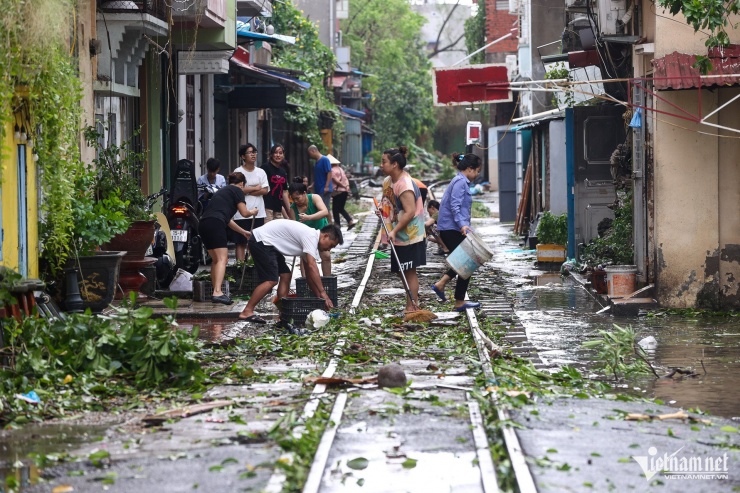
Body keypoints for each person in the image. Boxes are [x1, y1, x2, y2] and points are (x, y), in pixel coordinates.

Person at [238, 221, 344, 324]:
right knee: (271, 280)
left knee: (286, 275)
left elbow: (309, 275)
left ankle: (283, 313)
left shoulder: (310, 241)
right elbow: (312, 266)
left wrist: (320, 299)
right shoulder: (311, 237)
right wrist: (323, 293)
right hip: (261, 241)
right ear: (325, 236)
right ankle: (247, 311)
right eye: (330, 245)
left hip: (268, 242)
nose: (328, 250)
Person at [431, 153, 483, 312]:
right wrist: (462, 225)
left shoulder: (461, 181)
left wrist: (466, 226)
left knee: (466, 261)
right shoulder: (461, 182)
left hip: (452, 227)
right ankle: (446, 289)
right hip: (450, 228)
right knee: (466, 260)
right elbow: (455, 206)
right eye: (477, 170)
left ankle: (454, 296)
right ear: (469, 169)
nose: (478, 174)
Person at [378, 146, 427, 316]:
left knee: (409, 269)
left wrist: (394, 230)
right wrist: (382, 210)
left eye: (384, 161)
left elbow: (410, 212)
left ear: (395, 164)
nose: (381, 165)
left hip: (410, 234)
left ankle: (412, 306)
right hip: (398, 234)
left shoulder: (404, 184)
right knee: (401, 269)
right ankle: (411, 301)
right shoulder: (388, 181)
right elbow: (389, 203)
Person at [198, 172, 258, 305]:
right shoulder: (237, 190)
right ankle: (218, 292)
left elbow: (228, 220)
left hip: (204, 223)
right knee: (222, 259)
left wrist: (243, 232)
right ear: (242, 184)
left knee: (215, 260)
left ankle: (215, 290)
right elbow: (244, 212)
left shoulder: (223, 191)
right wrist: (252, 212)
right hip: (216, 223)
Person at [231, 144, 268, 261]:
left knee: (255, 242)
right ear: (243, 156)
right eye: (250, 152)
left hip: (258, 213)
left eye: (254, 152)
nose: (253, 154)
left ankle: (253, 268)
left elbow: (265, 190)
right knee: (240, 242)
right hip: (241, 212)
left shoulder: (261, 172)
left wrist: (246, 190)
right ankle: (240, 268)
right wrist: (255, 188)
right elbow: (236, 189)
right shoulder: (238, 171)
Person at [289, 182, 332, 276]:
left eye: (298, 198)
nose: (296, 201)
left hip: (321, 230)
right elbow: (294, 227)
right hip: (306, 236)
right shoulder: (293, 209)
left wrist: (309, 217)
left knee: (326, 256)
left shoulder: (314, 198)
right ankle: (305, 283)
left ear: (304, 193)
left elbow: (325, 212)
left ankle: (328, 281)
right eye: (293, 199)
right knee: (306, 259)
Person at [262, 144, 291, 222]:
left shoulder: (283, 171)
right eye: (275, 153)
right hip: (266, 207)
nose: (278, 155)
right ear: (271, 154)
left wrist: (289, 209)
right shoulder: (265, 168)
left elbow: (284, 192)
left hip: (278, 207)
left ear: (283, 155)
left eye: (280, 153)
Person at [329, 155, 357, 230]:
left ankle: (337, 225)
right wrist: (347, 186)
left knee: (335, 209)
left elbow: (336, 181)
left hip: (338, 191)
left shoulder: (332, 170)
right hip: (344, 192)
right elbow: (346, 179)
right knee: (340, 208)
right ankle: (349, 221)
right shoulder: (340, 169)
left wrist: (343, 186)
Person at [307, 145, 333, 222]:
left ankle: (330, 226)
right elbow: (319, 176)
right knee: (320, 209)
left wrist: (327, 186)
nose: (310, 156)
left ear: (313, 151)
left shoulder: (325, 159)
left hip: (324, 188)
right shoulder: (317, 162)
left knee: (325, 209)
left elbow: (329, 172)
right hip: (318, 189)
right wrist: (312, 185)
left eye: (310, 153)